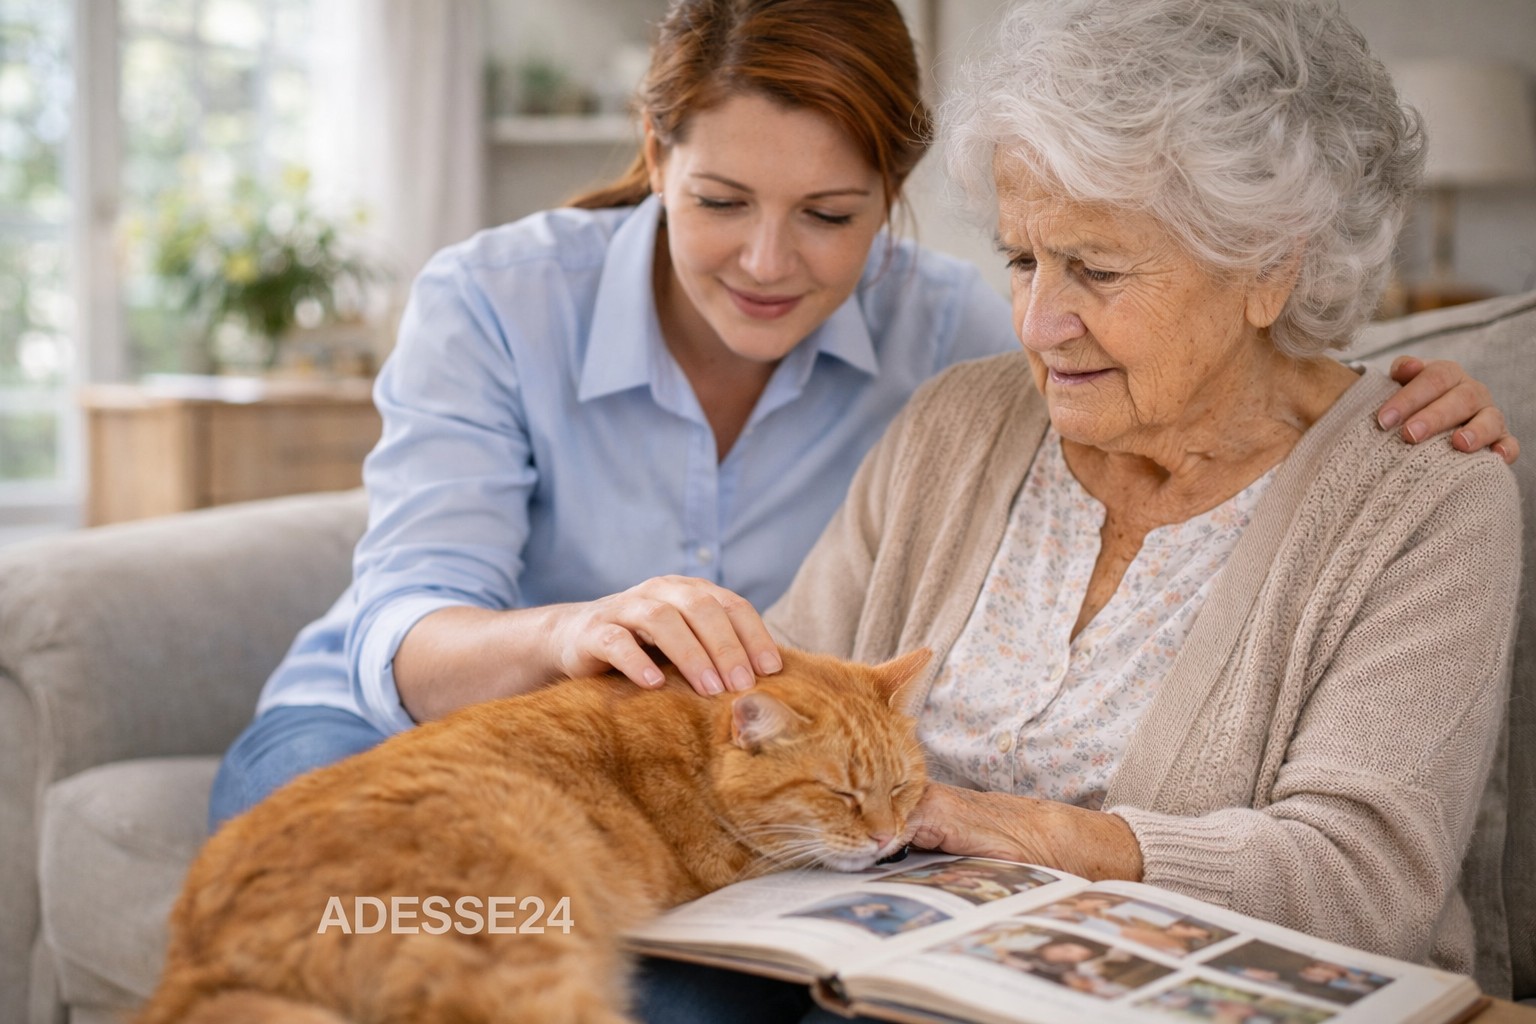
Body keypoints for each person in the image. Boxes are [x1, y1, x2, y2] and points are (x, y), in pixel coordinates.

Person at [211, 0, 1513, 833]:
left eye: (829, 215)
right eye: (720, 200)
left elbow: (1238, 361)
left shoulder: (954, 335)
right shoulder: (498, 300)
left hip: (717, 805)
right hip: (436, 721)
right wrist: (574, 631)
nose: (769, 262)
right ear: (655, 158)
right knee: (359, 884)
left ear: (890, 202)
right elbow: (409, 610)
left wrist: (1416, 397)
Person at [638, 0, 1522, 1019]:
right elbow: (766, 708)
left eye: (1095, 270)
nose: (1038, 322)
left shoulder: (1421, 495)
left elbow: (1364, 882)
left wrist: (1024, 830)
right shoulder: (958, 423)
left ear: (1272, 267)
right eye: (1023, 258)